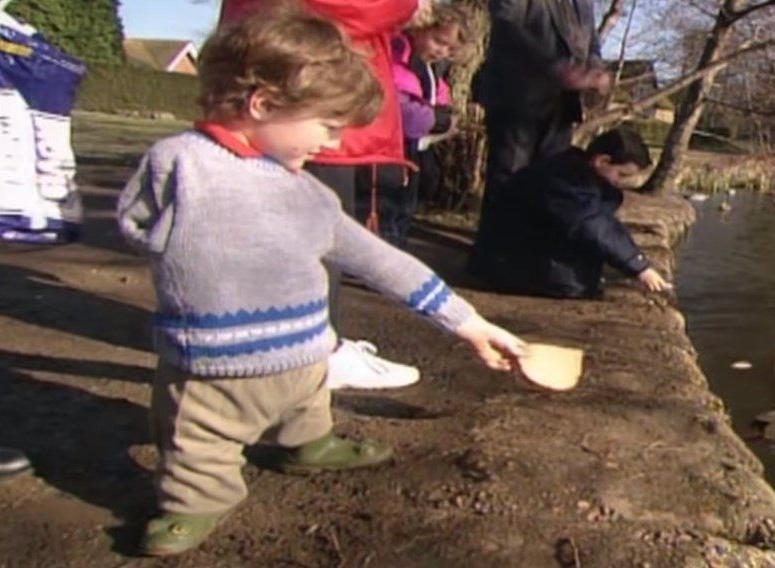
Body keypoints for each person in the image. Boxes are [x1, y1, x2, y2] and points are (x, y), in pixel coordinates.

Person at [117, 5, 525, 556]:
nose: (332, 145)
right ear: (262, 104)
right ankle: (197, 501)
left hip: (307, 360)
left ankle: (308, 442)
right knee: (197, 444)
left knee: (307, 405)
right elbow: (138, 222)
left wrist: (467, 322)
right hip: (212, 370)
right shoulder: (181, 163)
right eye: (327, 126)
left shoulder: (310, 194)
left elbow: (382, 262)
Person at [220, 0, 427, 390]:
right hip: (302, 85)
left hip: (292, 81)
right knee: (314, 239)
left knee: (308, 236)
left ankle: (305, 349)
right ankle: (313, 355)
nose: (335, 135)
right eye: (332, 127)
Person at [469, 0, 612, 275]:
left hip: (560, 104)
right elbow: (506, 28)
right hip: (518, 96)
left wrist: (594, 71)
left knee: (549, 181)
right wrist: (555, 68)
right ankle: (491, 262)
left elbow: (590, 42)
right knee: (509, 177)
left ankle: (527, 255)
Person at [474, 128, 670, 299]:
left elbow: (600, 224)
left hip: (516, 253)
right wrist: (639, 266)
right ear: (602, 161)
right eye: (622, 174)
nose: (620, 182)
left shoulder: (573, 172)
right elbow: (593, 226)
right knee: (573, 283)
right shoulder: (568, 184)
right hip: (512, 263)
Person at [389, 3, 468, 246]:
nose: (441, 51)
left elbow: (438, 92)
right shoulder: (396, 59)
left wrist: (446, 111)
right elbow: (399, 107)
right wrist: (436, 119)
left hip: (416, 148)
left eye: (449, 48)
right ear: (420, 29)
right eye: (438, 41)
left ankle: (397, 241)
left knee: (407, 203)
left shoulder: (430, 69)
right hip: (393, 147)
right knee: (389, 203)